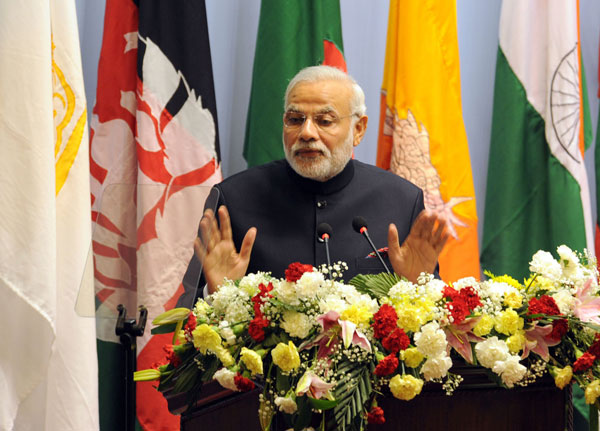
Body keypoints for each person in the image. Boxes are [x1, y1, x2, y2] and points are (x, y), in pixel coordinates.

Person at [195, 65, 448, 295]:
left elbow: (433, 322)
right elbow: (185, 317)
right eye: (295, 120)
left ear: (358, 129)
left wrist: (419, 288)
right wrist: (214, 294)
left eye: (325, 121)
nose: (306, 133)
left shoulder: (402, 201)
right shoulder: (234, 199)